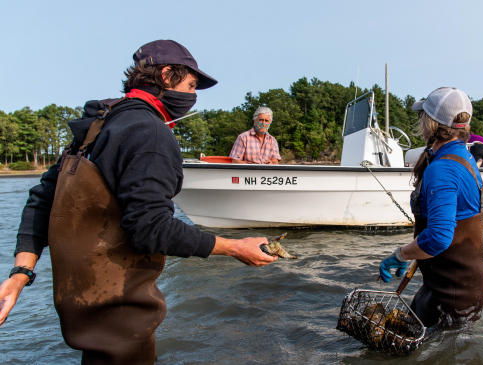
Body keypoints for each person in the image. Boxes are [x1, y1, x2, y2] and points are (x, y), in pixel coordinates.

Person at [0, 40, 277, 364]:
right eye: (190, 85)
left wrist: (20, 274)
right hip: (120, 319)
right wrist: (235, 247)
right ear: (166, 75)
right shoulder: (150, 134)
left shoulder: (98, 125)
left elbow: (41, 201)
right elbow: (151, 228)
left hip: (82, 317)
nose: (193, 96)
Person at [379, 87, 483, 328]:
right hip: (455, 284)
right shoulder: (463, 156)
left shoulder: (443, 169)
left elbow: (439, 237)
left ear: (430, 123)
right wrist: (417, 252)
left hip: (453, 295)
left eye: (422, 116)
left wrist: (401, 254)